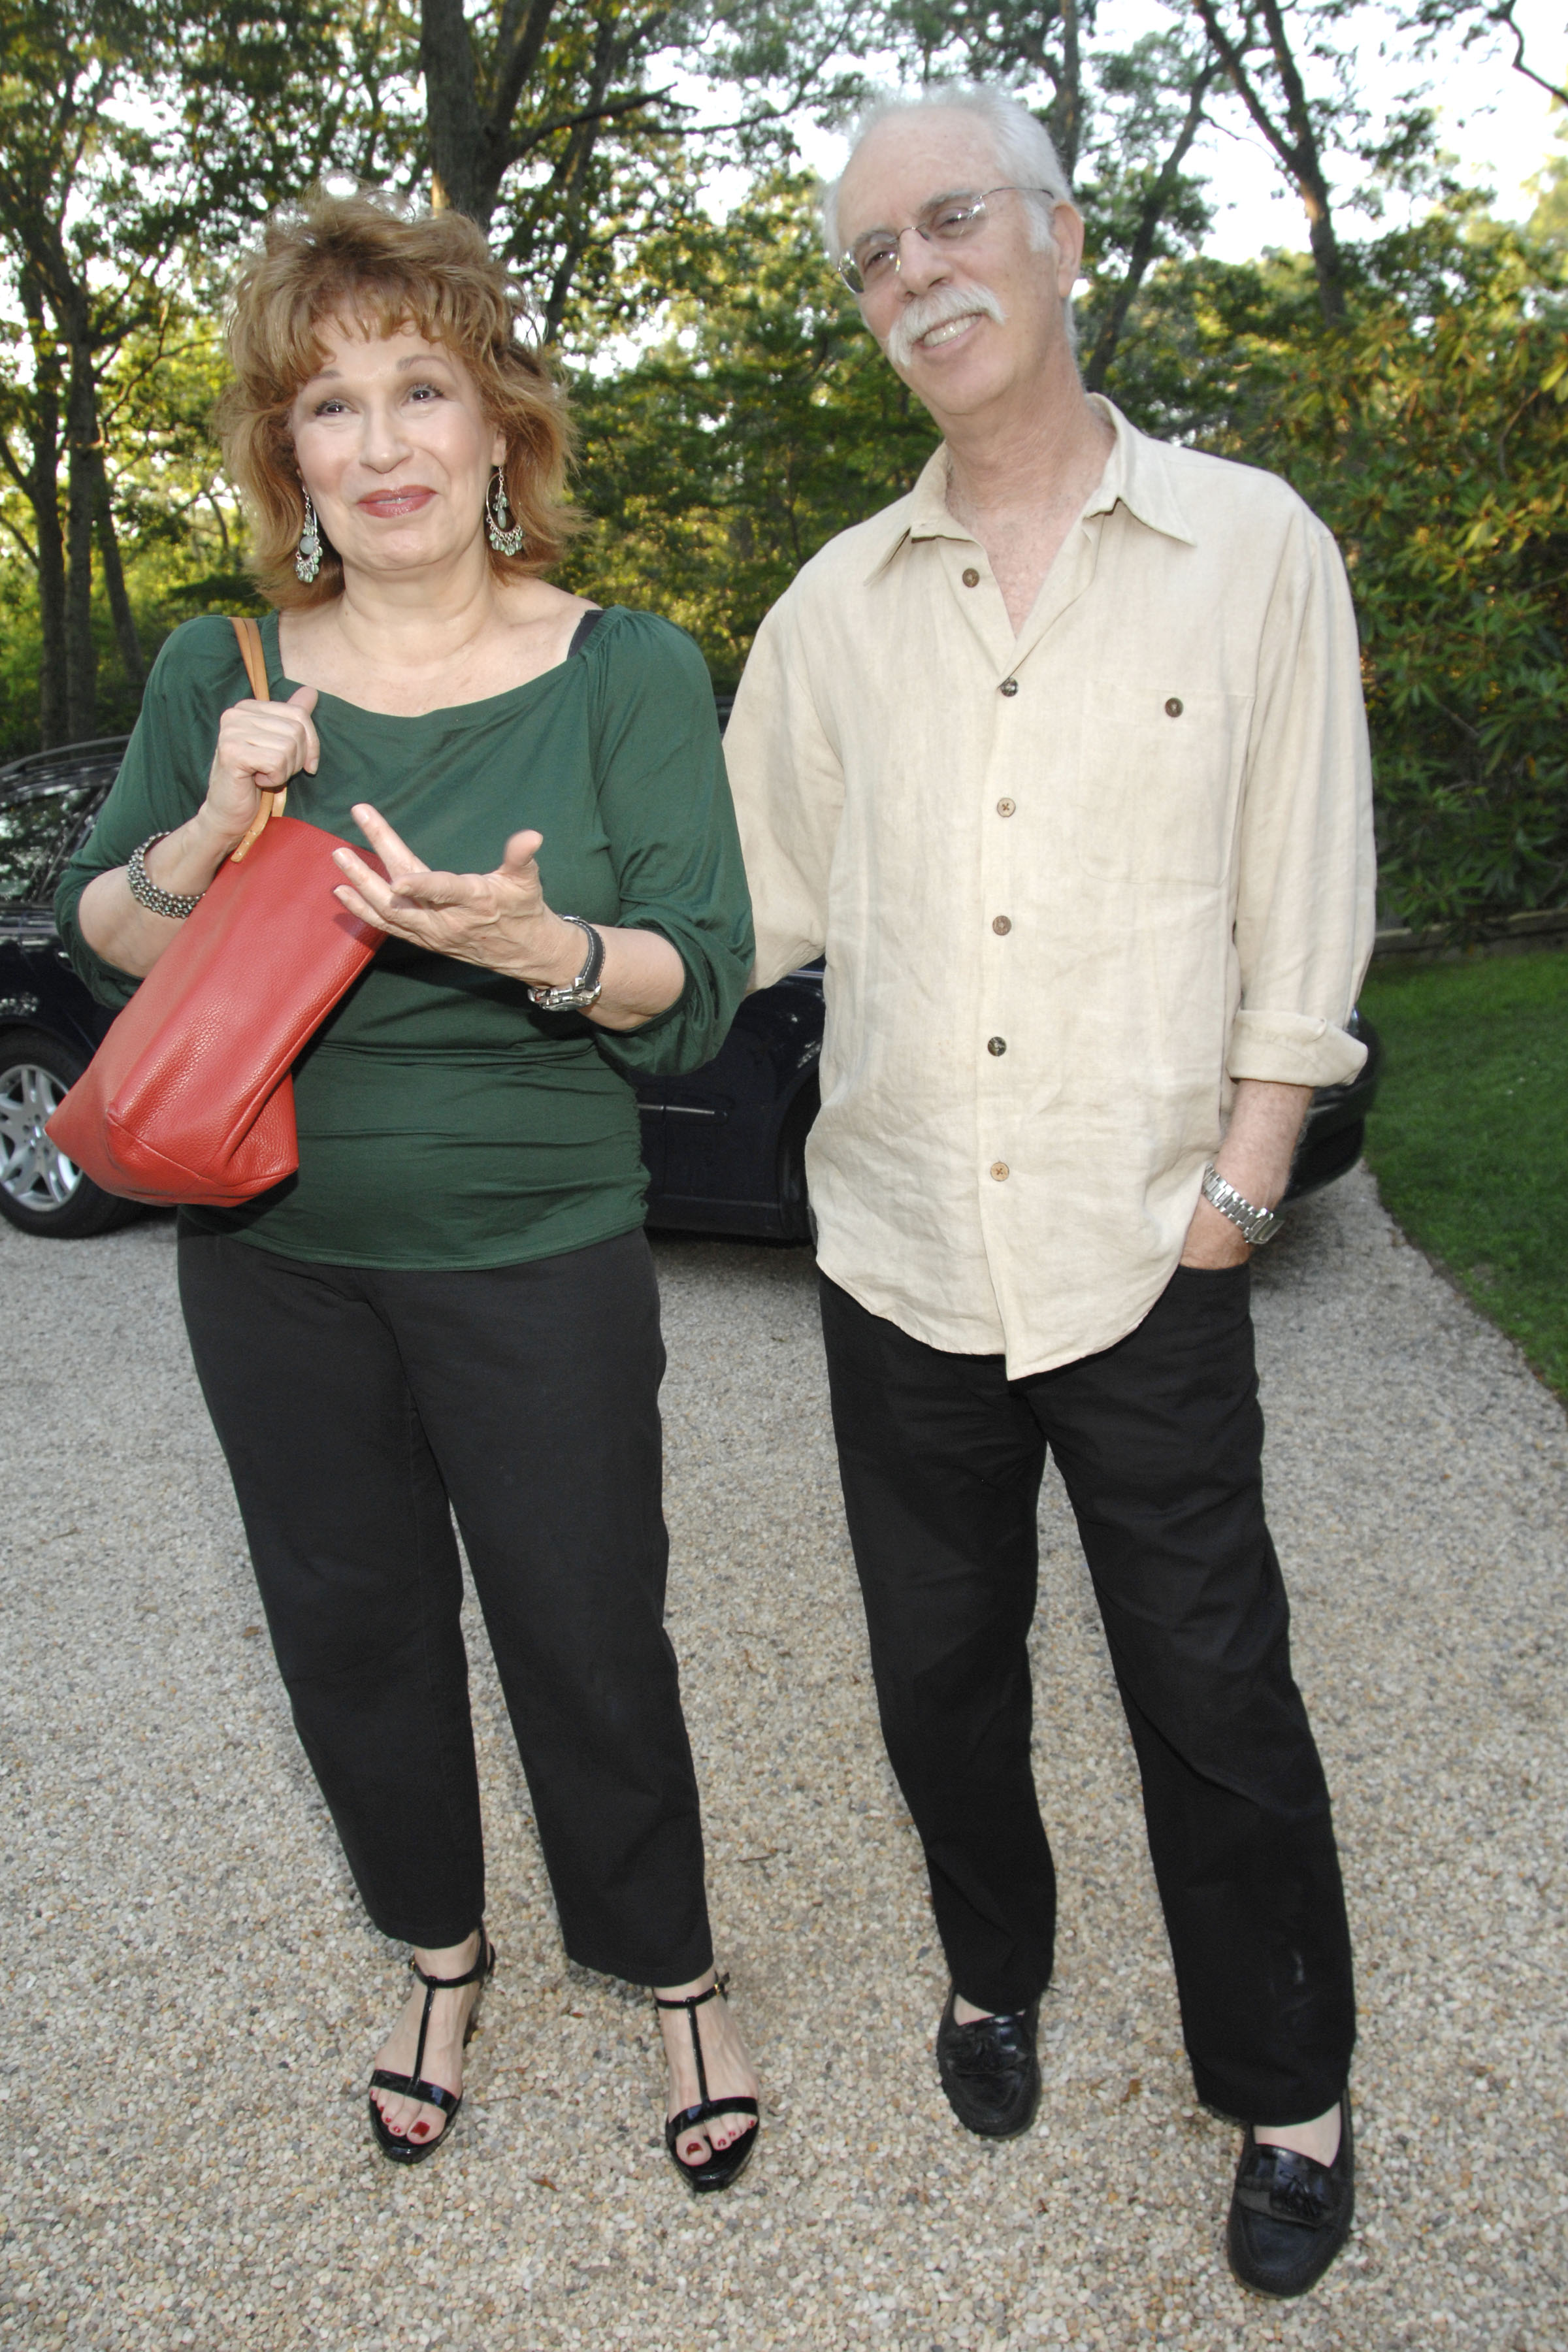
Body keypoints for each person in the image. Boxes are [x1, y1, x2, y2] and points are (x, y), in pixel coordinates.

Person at [722, 85, 1375, 2295]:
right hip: (898, 1254)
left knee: (1215, 1694)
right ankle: (995, 1976)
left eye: (952, 220)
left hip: (1149, 1248)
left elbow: (1308, 895)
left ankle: (1289, 2094)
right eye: (872, 256)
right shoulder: (829, 613)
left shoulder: (1254, 543)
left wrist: (1246, 1186)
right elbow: (741, 921)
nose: (915, 272)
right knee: (941, 1678)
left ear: (1063, 239)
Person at [57, 191, 761, 2193]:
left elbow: (695, 981)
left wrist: (536, 946)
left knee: (585, 1626)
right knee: (347, 1627)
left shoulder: (627, 668)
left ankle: (670, 1964)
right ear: (289, 460)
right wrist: (209, 819)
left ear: (498, 426)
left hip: (535, 1253)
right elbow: (107, 935)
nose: (380, 444)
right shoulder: (228, 665)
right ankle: (439, 1956)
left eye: (421, 388)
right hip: (272, 1259)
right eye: (330, 406)